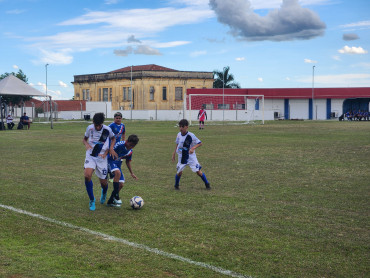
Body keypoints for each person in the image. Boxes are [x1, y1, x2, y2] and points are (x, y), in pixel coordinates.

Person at [83, 112, 117, 211]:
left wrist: (111, 148)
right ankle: (92, 200)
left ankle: (104, 192)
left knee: (103, 183)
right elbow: (84, 139)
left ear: (102, 123)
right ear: (93, 122)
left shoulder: (107, 129)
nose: (98, 127)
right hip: (91, 155)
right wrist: (86, 144)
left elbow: (113, 138)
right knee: (87, 175)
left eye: (99, 125)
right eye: (96, 125)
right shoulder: (89, 128)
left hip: (102, 157)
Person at [172, 119, 210, 190]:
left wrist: (193, 148)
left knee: (198, 172)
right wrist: (174, 153)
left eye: (182, 127)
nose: (180, 128)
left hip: (190, 157)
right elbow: (177, 144)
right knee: (179, 172)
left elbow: (200, 143)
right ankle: (176, 186)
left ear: (186, 127)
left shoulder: (191, 135)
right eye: (180, 126)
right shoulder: (178, 135)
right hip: (181, 156)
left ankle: (207, 183)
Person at [106, 134, 139, 207]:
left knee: (121, 185)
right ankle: (116, 196)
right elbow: (109, 150)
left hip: (118, 164)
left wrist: (132, 173)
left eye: (133, 146)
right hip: (110, 161)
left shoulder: (130, 151)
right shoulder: (119, 144)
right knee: (117, 173)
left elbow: (127, 162)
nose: (131, 147)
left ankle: (110, 201)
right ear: (127, 141)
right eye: (130, 144)